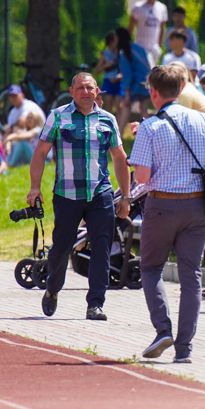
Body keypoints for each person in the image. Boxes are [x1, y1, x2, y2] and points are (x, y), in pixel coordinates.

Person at [129, 64, 205, 361]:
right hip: (197, 206)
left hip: (162, 205)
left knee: (151, 268)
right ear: (181, 89)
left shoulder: (150, 127)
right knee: (190, 275)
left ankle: (163, 329)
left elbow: (141, 178)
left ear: (153, 92)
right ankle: (184, 349)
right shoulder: (204, 121)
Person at [27, 73, 131, 321]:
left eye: (90, 88)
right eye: (80, 88)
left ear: (97, 92)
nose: (85, 92)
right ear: (72, 91)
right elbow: (41, 152)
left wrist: (125, 196)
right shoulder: (58, 115)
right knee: (61, 249)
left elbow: (119, 158)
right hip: (67, 194)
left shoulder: (108, 119)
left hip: (100, 193)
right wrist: (34, 187)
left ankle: (95, 304)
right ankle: (52, 289)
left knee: (102, 248)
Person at [115, 27, 152, 132]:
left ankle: (118, 135)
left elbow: (127, 75)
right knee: (144, 110)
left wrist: (126, 93)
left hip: (135, 85)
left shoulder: (124, 54)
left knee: (125, 108)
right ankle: (149, 132)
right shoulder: (139, 48)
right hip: (146, 83)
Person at [129, 0, 168, 66]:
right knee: (147, 68)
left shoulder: (162, 8)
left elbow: (161, 28)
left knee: (152, 69)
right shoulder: (138, 7)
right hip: (141, 45)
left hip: (154, 47)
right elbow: (131, 26)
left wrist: (159, 45)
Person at [93, 31, 122, 116]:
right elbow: (97, 71)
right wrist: (106, 65)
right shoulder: (105, 54)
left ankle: (120, 128)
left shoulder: (120, 53)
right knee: (108, 105)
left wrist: (119, 76)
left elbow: (124, 69)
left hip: (118, 82)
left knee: (119, 106)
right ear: (111, 42)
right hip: (108, 81)